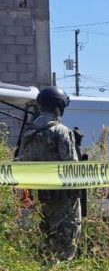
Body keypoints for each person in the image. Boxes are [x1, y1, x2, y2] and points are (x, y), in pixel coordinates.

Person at [17, 87, 82, 261]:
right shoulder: (61, 131)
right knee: (64, 247)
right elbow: (72, 169)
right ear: (58, 107)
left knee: (41, 248)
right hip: (60, 199)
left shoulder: (28, 132)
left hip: (35, 199)